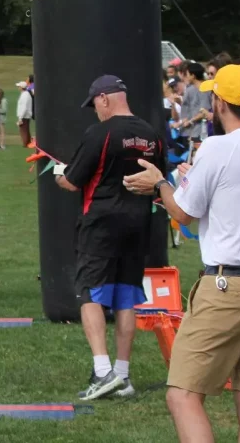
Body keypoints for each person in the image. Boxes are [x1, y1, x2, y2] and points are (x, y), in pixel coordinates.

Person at [123, 64, 240, 443]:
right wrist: (188, 180)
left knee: (182, 394)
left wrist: (160, 183)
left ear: (219, 103)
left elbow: (184, 212)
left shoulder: (217, 146)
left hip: (229, 286)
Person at [54, 75, 165, 401]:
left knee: (90, 292)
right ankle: (123, 375)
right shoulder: (151, 134)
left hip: (101, 223)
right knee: (126, 297)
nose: (94, 111)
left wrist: (61, 173)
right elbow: (157, 179)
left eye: (94, 105)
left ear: (104, 99)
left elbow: (74, 182)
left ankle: (102, 372)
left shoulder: (100, 133)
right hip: (138, 223)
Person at [16, 80, 35, 147]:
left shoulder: (25, 95)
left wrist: (20, 118)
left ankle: (25, 144)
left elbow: (24, 107)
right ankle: (28, 143)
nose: (18, 88)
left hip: (24, 116)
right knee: (25, 130)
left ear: (21, 87)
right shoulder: (25, 94)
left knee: (23, 130)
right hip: (25, 115)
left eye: (19, 86)